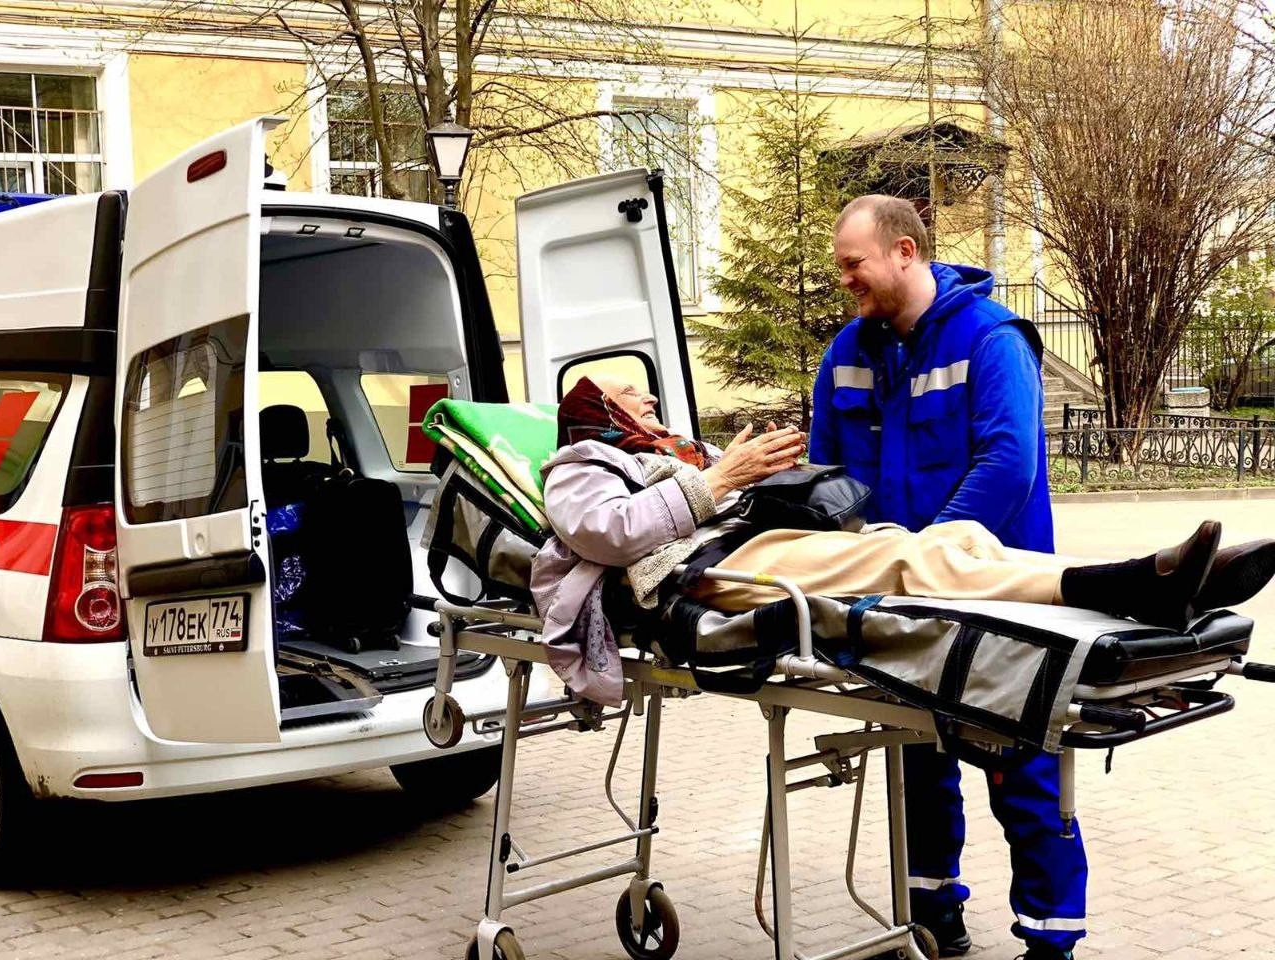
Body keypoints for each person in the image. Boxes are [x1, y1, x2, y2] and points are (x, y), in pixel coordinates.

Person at [806, 194, 1265, 960]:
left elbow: (1009, 464)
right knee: (916, 762)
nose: (845, 279)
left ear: (905, 252)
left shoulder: (990, 340)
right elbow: (826, 474)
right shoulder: (848, 354)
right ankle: (932, 914)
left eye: (854, 264)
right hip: (892, 597)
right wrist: (853, 559)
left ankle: (1051, 944)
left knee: (1020, 767)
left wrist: (933, 555)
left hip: (994, 594)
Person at [531, 374, 1274, 718]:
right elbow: (605, 534)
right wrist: (719, 478)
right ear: (601, 416)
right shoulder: (581, 463)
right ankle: (1132, 584)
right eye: (632, 396)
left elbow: (718, 496)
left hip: (754, 542)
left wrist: (749, 473)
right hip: (710, 571)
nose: (651, 400)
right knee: (908, 562)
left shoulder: (672, 454)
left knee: (960, 538)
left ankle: (1158, 582)